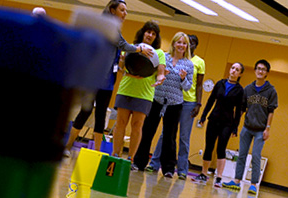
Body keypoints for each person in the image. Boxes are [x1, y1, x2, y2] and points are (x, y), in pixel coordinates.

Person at [63, 0, 153, 158]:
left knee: (101, 115)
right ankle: (68, 145)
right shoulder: (106, 25)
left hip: (108, 80)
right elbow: (122, 44)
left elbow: (117, 50)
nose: (125, 13)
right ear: (112, 10)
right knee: (85, 111)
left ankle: (96, 153)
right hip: (93, 77)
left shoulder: (116, 27)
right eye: (122, 10)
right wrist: (139, 49)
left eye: (126, 10)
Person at [134, 32, 193, 176]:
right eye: (178, 42)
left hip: (174, 103)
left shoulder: (188, 64)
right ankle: (139, 162)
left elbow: (187, 87)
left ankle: (168, 169)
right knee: (148, 132)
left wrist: (183, 78)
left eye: (184, 43)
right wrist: (161, 74)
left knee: (169, 137)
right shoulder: (163, 57)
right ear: (173, 43)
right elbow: (153, 76)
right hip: (157, 100)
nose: (181, 45)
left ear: (187, 46)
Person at [146, 34, 205, 180]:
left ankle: (179, 169)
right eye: (181, 42)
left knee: (179, 137)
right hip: (163, 99)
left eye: (188, 43)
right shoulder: (164, 58)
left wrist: (198, 103)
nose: (185, 45)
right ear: (174, 43)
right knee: (158, 133)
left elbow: (195, 85)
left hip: (183, 102)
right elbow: (156, 75)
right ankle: (151, 163)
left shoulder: (195, 63)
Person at [112, 20, 166, 165]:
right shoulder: (131, 47)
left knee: (137, 126)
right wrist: (124, 64)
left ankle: (130, 158)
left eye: (153, 34)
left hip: (144, 94)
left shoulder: (159, 53)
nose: (150, 35)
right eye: (148, 31)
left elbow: (160, 72)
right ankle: (115, 155)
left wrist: (160, 79)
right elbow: (122, 69)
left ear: (156, 37)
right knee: (120, 123)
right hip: (126, 89)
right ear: (143, 32)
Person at [222, 59, 278, 195]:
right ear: (255, 71)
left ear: (267, 73)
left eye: (263, 69)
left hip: (260, 129)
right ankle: (236, 181)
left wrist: (268, 128)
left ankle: (253, 184)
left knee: (256, 156)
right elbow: (242, 109)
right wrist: (235, 125)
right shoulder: (248, 89)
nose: (260, 71)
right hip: (247, 127)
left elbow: (271, 111)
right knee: (242, 154)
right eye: (258, 68)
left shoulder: (271, 91)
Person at [194, 63, 245, 187]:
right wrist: (203, 116)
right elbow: (211, 100)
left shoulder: (240, 90)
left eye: (237, 70)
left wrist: (235, 127)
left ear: (240, 74)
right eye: (233, 68)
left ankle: (219, 177)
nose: (233, 71)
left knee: (221, 148)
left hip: (227, 122)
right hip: (214, 119)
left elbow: (238, 111)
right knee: (209, 146)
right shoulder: (219, 84)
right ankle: (204, 174)